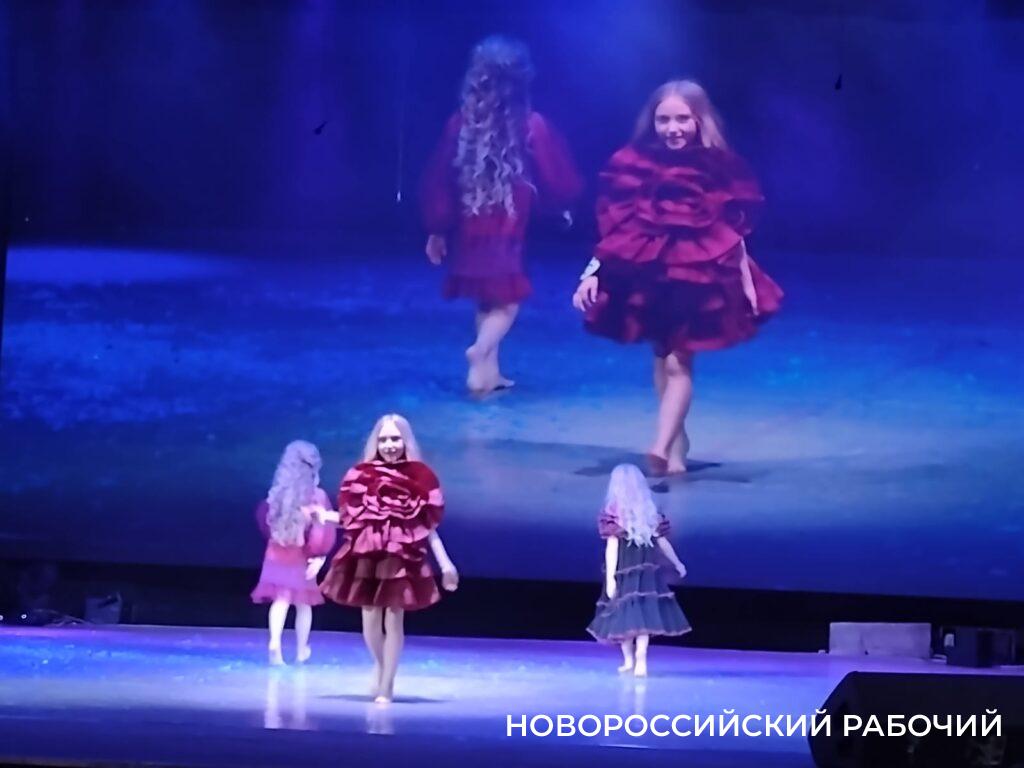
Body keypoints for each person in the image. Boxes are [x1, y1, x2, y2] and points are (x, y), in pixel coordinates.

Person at [573, 80, 782, 475]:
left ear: (699, 119)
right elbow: (615, 231)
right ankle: (677, 443)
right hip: (651, 280)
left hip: (696, 281)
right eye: (664, 120)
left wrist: (747, 282)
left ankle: (660, 445)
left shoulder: (721, 167)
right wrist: (593, 273)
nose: (673, 128)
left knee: (678, 362)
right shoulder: (632, 164)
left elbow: (733, 232)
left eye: (682, 119)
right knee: (661, 358)